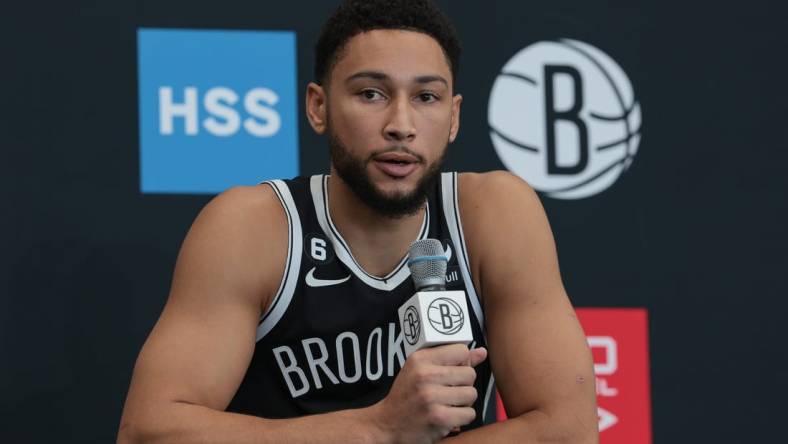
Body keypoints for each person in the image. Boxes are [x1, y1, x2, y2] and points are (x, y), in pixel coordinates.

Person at [117, 0, 598, 442]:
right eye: (371, 94)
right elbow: (149, 433)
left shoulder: (492, 213)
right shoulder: (255, 227)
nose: (401, 124)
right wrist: (377, 428)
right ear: (318, 106)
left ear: (453, 117)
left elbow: (568, 431)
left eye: (426, 97)